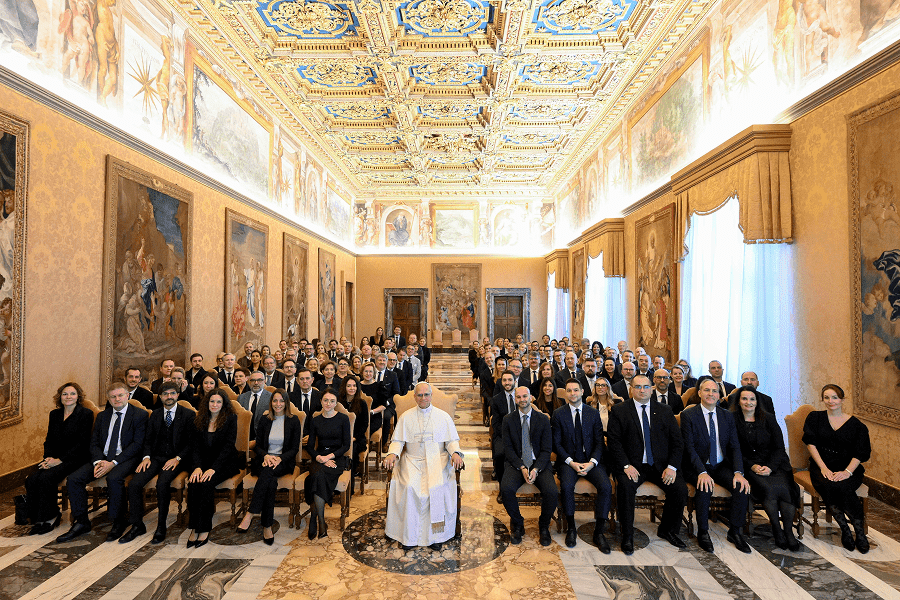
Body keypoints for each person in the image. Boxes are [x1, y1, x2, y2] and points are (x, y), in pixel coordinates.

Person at [56, 382, 149, 543]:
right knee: (74, 479)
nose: (117, 399)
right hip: (101, 458)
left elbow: (137, 445)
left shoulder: (139, 415)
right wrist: (99, 460)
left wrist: (112, 463)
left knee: (113, 479)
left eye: (120, 395)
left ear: (127, 396)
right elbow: (94, 442)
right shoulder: (102, 416)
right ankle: (81, 522)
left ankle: (118, 522)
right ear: (108, 399)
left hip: (125, 458)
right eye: (113, 397)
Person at [607, 374, 687, 554]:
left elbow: (677, 442)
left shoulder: (665, 411)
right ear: (631, 389)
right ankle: (627, 535)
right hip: (632, 466)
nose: (642, 390)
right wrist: (626, 466)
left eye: (645, 387)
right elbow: (614, 442)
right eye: (637, 387)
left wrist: (672, 467)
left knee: (679, 489)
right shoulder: (620, 410)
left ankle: (668, 529)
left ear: (651, 389)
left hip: (661, 466)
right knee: (626, 488)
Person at [383, 382, 464, 550]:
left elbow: (451, 441)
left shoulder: (443, 417)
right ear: (414, 397)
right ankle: (409, 536)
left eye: (426, 395)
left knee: (435, 488)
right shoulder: (406, 416)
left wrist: (455, 452)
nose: (423, 398)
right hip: (411, 461)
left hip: (438, 461)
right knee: (410, 488)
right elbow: (398, 441)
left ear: (431, 396)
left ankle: (436, 536)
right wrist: (393, 453)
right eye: (419, 395)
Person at [680, 378, 752, 554]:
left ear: (719, 395)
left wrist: (738, 472)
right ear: (699, 393)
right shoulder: (688, 415)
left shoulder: (727, 416)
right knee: (705, 486)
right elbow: (689, 449)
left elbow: (735, 446)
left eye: (714, 391)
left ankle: (735, 531)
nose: (711, 394)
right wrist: (702, 472)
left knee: (741, 486)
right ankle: (703, 532)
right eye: (706, 390)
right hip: (696, 466)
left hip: (719, 465)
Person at [121, 381, 194, 544]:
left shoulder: (188, 415)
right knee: (134, 484)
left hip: (177, 459)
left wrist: (177, 459)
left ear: (178, 395)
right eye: (165, 394)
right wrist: (146, 457)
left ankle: (161, 526)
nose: (169, 397)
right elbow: (147, 441)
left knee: (162, 484)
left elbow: (191, 443)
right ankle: (137, 525)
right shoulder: (154, 414)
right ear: (160, 397)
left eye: (172, 393)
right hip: (156, 457)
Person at [803, 384, 871, 553]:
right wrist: (824, 468)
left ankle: (860, 533)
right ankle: (845, 530)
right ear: (822, 399)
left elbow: (860, 453)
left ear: (842, 399)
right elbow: (811, 444)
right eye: (826, 397)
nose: (830, 401)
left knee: (844, 487)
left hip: (849, 468)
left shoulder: (857, 426)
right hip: (822, 466)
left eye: (834, 397)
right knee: (829, 486)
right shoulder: (814, 418)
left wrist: (847, 472)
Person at [731, 386, 800, 551]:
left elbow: (779, 447)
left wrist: (770, 467)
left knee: (785, 489)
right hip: (750, 465)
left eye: (752, 399)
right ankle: (777, 529)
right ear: (738, 401)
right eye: (744, 399)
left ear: (757, 402)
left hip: (775, 464)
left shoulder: (768, 418)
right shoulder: (732, 419)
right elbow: (733, 449)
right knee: (767, 489)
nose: (749, 402)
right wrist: (752, 466)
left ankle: (788, 532)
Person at [552, 379, 612, 551]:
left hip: (591, 461)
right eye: (569, 391)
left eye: (576, 390)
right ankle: (571, 527)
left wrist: (592, 463)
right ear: (566, 394)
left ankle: (599, 531)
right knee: (567, 486)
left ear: (582, 391)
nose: (572, 394)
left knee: (606, 487)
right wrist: (571, 463)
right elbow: (557, 444)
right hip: (569, 462)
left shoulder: (592, 413)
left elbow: (600, 442)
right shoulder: (559, 414)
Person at [25, 382, 92, 535]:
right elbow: (49, 440)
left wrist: (59, 460)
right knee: (31, 479)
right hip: (54, 458)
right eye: (65, 394)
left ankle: (51, 517)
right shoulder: (54, 414)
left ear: (78, 397)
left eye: (72, 394)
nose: (68, 397)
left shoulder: (85, 414)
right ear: (60, 397)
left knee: (46, 478)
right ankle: (37, 519)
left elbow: (82, 444)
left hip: (75, 458)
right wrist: (48, 458)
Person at [238, 389, 302, 544]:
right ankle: (267, 526)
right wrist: (266, 456)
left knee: (268, 472)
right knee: (270, 481)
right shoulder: (265, 419)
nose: (278, 404)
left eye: (281, 401)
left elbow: (294, 449)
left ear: (286, 403)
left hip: (283, 462)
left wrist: (279, 459)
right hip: (264, 460)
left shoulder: (294, 421)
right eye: (275, 401)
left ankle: (251, 513)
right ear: (271, 403)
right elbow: (258, 445)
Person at [500, 386, 558, 547]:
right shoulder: (508, 420)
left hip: (539, 463)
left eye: (525, 396)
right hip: (516, 463)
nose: (522, 400)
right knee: (506, 489)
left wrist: (535, 468)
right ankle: (518, 523)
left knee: (552, 492)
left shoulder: (543, 419)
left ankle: (544, 525)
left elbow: (547, 449)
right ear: (515, 399)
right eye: (518, 397)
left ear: (530, 397)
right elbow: (508, 449)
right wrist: (522, 467)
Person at [186, 389, 241, 547]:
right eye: (212, 401)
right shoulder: (199, 419)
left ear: (223, 404)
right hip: (202, 463)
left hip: (224, 463)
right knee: (194, 483)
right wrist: (197, 467)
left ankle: (204, 528)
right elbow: (195, 447)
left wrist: (213, 469)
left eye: (218, 402)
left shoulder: (231, 418)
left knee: (206, 484)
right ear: (206, 403)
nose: (215, 404)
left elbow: (228, 447)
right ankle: (194, 526)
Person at [305, 389, 351, 540]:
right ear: (321, 402)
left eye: (332, 401)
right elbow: (310, 446)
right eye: (325, 400)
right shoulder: (315, 420)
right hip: (319, 458)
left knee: (316, 478)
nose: (328, 404)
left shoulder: (343, 419)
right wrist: (319, 457)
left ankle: (315, 518)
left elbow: (346, 445)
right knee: (317, 475)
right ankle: (321, 522)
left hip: (337, 458)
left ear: (336, 403)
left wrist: (329, 457)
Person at [338, 376, 370, 494]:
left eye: (354, 386)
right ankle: (337, 484)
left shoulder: (362, 403)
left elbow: (364, 425)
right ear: (344, 387)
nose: (352, 388)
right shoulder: (338, 402)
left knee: (353, 450)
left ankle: (349, 486)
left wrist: (354, 437)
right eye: (349, 386)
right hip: (340, 437)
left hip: (357, 438)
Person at [490, 371, 518, 494]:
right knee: (500, 454)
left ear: (515, 381)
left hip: (521, 435)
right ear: (501, 382)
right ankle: (503, 488)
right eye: (504, 380)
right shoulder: (496, 400)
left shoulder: (521, 396)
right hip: (502, 435)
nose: (507, 383)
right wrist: (508, 437)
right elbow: (495, 424)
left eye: (510, 380)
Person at [238, 371, 272, 442]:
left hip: (264, 438)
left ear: (264, 381)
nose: (256, 383)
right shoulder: (241, 398)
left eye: (259, 380)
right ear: (249, 382)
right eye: (253, 380)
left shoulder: (271, 398)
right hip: (244, 437)